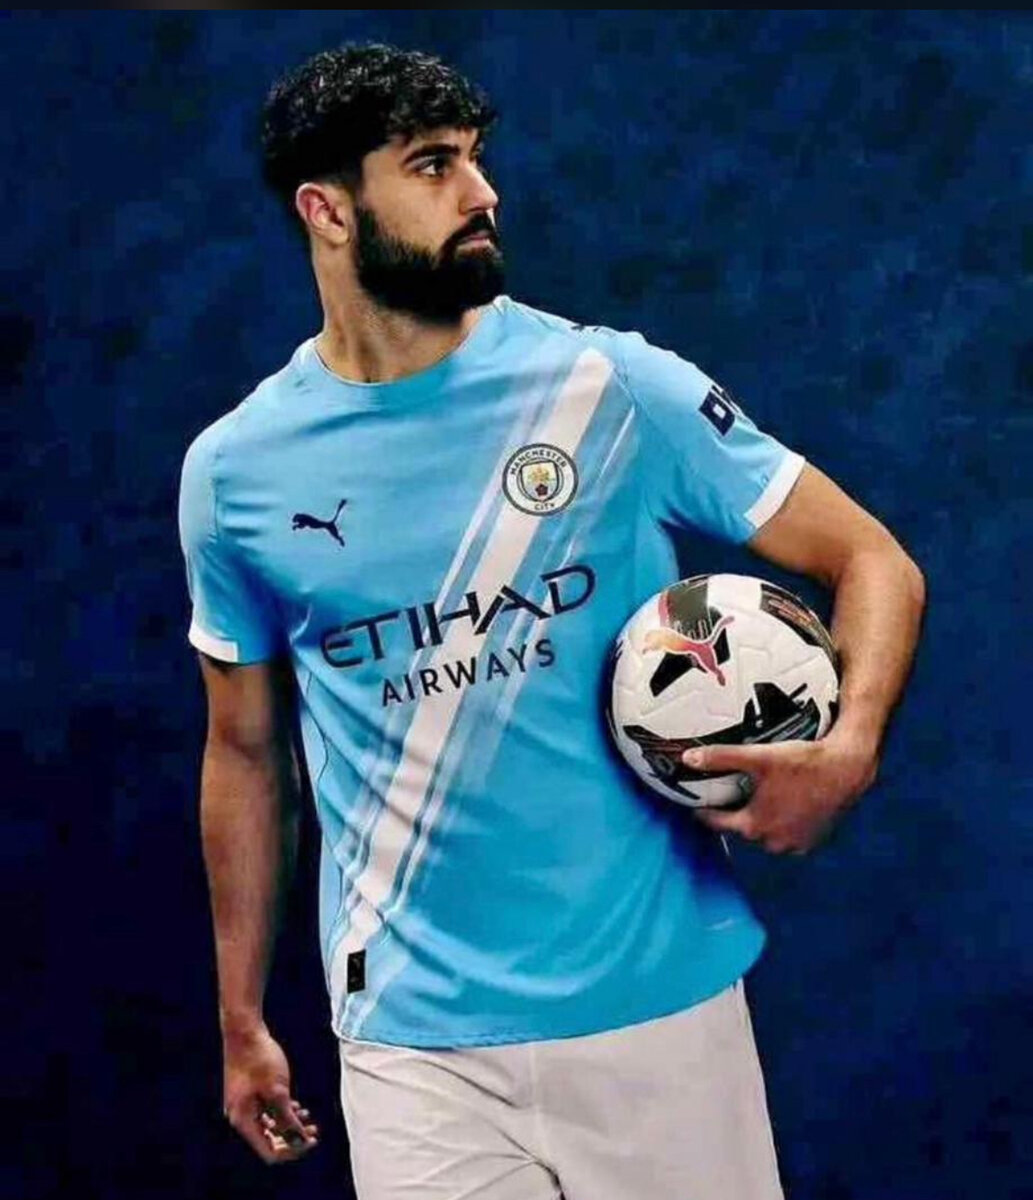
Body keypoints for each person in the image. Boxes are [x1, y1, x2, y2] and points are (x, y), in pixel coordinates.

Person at [177, 42, 925, 1200]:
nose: (482, 193)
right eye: (433, 167)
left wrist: (850, 747)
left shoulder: (609, 388)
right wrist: (239, 1016)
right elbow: (242, 751)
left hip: (658, 1013)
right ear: (326, 211)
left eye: (476, 159)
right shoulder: (235, 474)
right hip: (413, 1045)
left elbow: (871, 560)